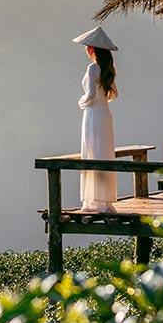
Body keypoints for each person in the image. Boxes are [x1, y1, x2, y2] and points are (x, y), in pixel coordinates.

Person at [73, 26, 119, 213]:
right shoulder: (108, 68)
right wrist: (102, 99)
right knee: (104, 152)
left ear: (92, 49)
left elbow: (90, 94)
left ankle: (92, 201)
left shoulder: (93, 67)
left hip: (92, 115)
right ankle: (105, 201)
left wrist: (81, 102)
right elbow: (114, 93)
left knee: (91, 151)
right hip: (105, 114)